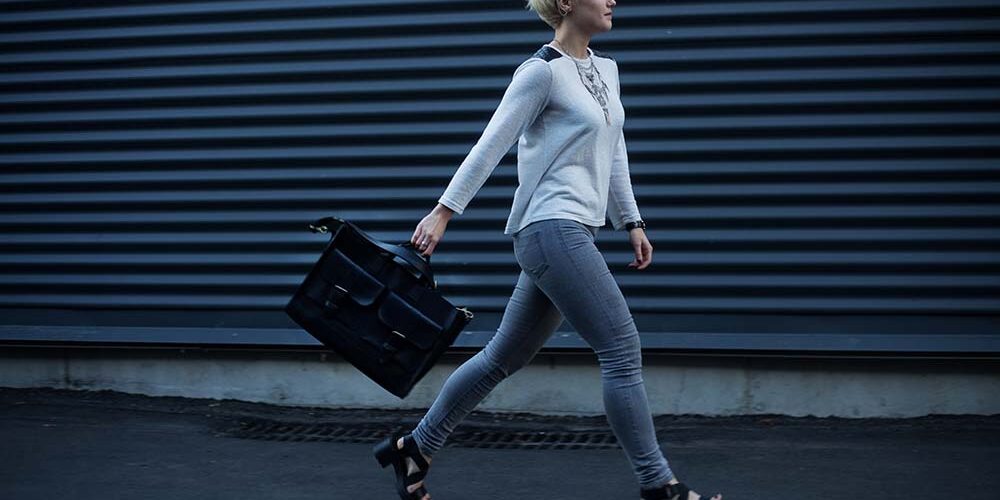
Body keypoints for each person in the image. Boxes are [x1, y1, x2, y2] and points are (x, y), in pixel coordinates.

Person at [372, 1, 723, 499]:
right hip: (549, 229)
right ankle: (659, 486)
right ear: (564, 3)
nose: (611, 1)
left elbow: (614, 147)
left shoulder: (606, 69)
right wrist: (443, 211)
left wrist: (632, 221)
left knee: (501, 357)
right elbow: (491, 143)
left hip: (573, 232)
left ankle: (416, 447)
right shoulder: (540, 72)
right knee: (621, 349)